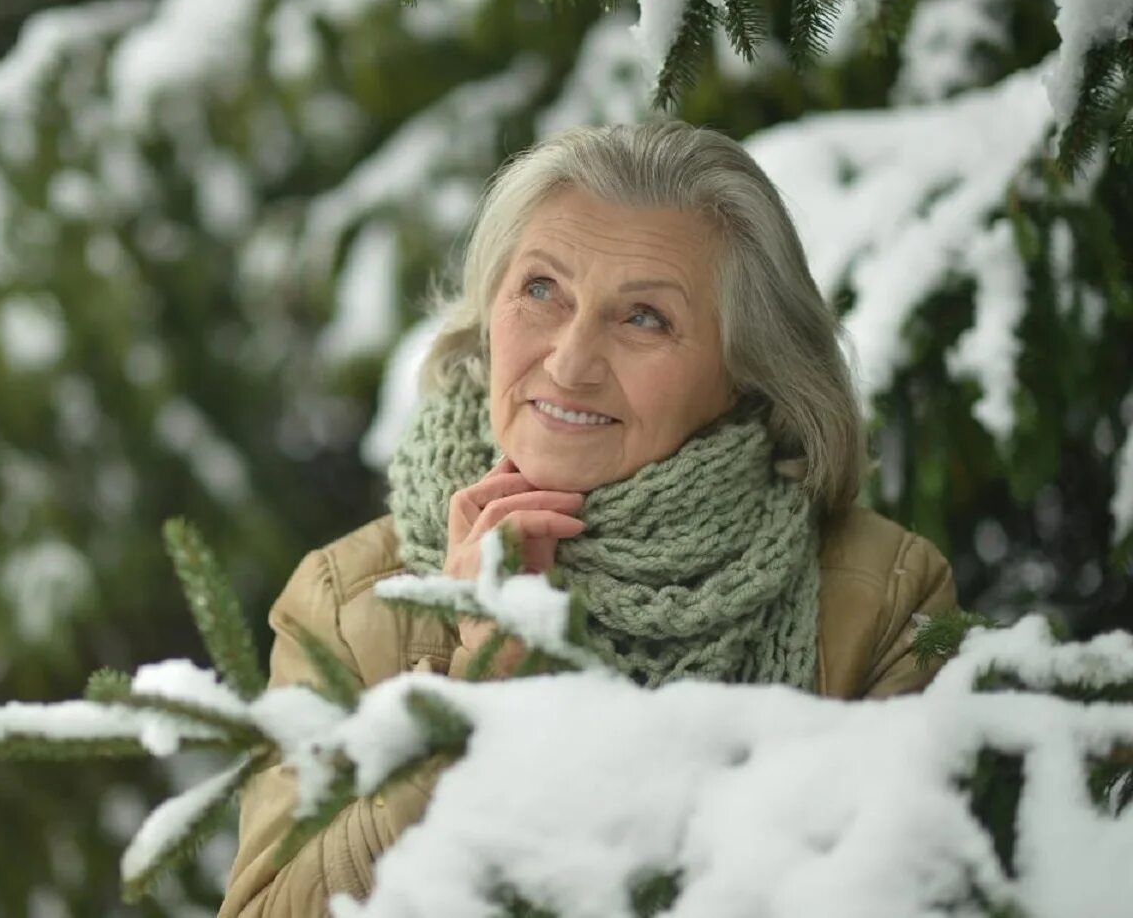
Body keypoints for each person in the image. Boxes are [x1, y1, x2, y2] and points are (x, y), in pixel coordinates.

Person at [217, 120, 959, 916]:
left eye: (644, 317)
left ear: (746, 372)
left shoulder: (881, 598)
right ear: (489, 309)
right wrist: (464, 712)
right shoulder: (349, 599)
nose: (570, 362)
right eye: (541, 290)